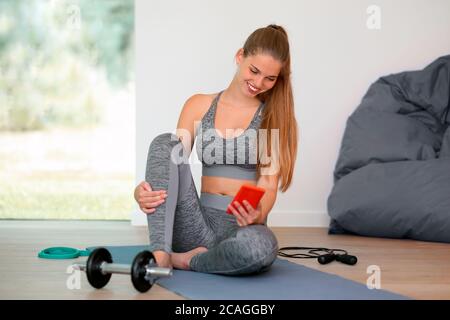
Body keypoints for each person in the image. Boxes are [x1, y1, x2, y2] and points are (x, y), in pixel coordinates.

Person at [134, 24, 298, 275]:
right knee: (164, 142)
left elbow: (268, 183)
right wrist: (142, 192)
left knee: (260, 248)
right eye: (254, 71)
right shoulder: (199, 105)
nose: (258, 83)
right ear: (240, 56)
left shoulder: (274, 117)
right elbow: (173, 165)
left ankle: (186, 261)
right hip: (195, 225)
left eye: (269, 78)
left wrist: (259, 212)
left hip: (243, 230)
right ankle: (161, 255)